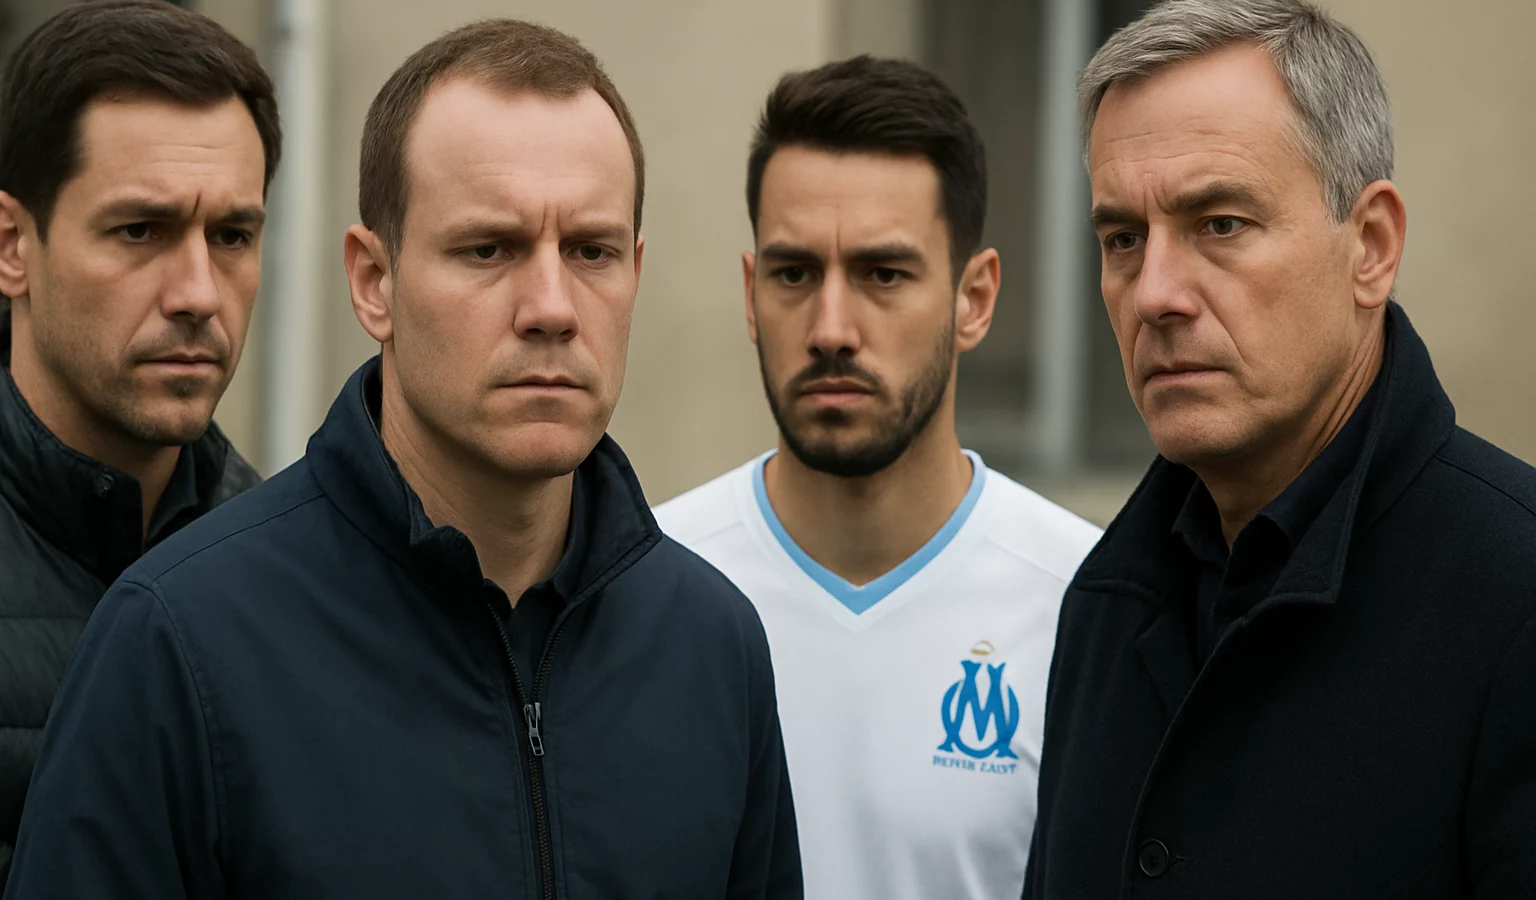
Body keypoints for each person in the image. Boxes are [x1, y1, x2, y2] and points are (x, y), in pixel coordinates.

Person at [4, 19, 800, 900]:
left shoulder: (713, 646)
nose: (552, 306)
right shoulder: (180, 639)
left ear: (636, 273)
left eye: (591, 252)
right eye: (488, 249)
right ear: (373, 282)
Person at [1024, 0, 1536, 895]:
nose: (1154, 294)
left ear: (1371, 246)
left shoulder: (1512, 599)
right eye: (1123, 239)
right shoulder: (1108, 602)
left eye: (1220, 223)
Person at [656, 56, 1101, 900]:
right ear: (750, 294)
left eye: (883, 274)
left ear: (975, 298)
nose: (831, 328)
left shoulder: (1086, 608)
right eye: (794, 274)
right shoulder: (644, 585)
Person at [0, 0, 279, 885]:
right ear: (12, 245)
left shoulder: (305, 574)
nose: (198, 292)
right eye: (140, 231)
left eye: (231, 235)